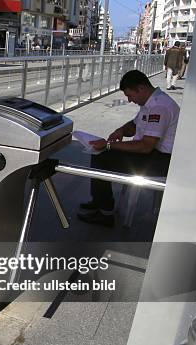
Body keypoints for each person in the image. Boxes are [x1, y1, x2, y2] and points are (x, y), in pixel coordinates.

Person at [77, 70, 180, 227]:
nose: (130, 100)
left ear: (141, 88)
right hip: (153, 154)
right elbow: (134, 125)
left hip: (162, 161)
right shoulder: (150, 102)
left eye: (130, 95)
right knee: (100, 154)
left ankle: (105, 213)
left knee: (102, 157)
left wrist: (109, 144)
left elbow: (146, 146)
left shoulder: (160, 107)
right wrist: (121, 131)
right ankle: (99, 200)